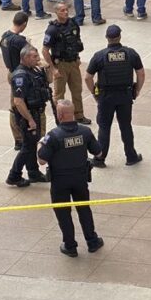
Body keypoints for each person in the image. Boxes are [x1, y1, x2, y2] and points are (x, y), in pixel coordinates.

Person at [36, 100, 104, 257]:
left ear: (59, 115)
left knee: (63, 213)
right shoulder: (85, 132)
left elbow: (42, 160)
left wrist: (40, 144)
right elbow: (99, 153)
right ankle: (92, 241)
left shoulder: (53, 136)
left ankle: (70, 245)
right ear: (72, 113)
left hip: (60, 181)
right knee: (84, 209)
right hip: (80, 178)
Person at [85, 25, 145, 167]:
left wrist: (94, 93)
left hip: (106, 97)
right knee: (125, 126)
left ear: (107, 38)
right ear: (120, 37)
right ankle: (131, 156)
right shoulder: (131, 53)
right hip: (125, 95)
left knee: (104, 127)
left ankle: (100, 159)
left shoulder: (99, 55)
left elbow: (88, 77)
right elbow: (141, 73)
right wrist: (137, 89)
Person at [6, 45, 51, 188]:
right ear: (25, 58)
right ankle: (14, 175)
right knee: (27, 147)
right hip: (27, 116)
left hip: (36, 112)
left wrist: (47, 67)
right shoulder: (20, 75)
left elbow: (49, 81)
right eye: (34, 57)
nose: (38, 59)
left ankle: (33, 173)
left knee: (32, 145)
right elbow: (18, 101)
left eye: (38, 56)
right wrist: (30, 120)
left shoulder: (34, 70)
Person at [42, 2, 91, 125]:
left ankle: (79, 115)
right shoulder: (52, 29)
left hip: (73, 62)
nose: (66, 12)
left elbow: (76, 41)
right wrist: (53, 69)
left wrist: (77, 57)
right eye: (62, 10)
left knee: (77, 90)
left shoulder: (73, 24)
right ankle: (60, 118)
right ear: (57, 13)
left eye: (66, 10)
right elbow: (45, 50)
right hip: (61, 64)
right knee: (59, 94)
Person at [0, 11, 29, 149]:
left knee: (14, 105)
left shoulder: (4, 37)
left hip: (10, 72)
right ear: (24, 24)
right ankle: (20, 138)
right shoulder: (20, 41)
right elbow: (30, 55)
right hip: (20, 75)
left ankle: (18, 137)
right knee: (19, 104)